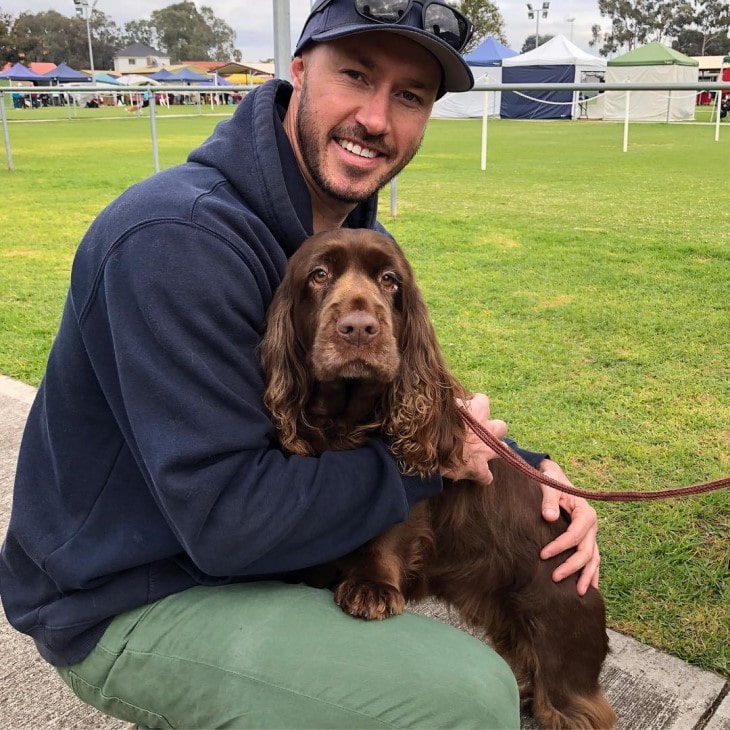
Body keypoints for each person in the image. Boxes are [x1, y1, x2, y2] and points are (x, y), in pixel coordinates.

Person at [0, 1, 600, 727]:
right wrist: (437, 460)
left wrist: (530, 471)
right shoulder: (174, 240)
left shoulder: (341, 229)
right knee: (461, 698)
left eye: (409, 95)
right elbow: (229, 523)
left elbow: (398, 403)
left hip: (255, 558)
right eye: (355, 74)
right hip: (132, 593)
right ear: (296, 73)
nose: (376, 119)